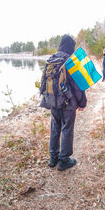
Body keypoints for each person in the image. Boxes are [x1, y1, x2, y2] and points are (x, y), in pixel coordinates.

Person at [40, 34, 87, 171]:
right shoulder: (71, 61)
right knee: (67, 129)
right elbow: (79, 86)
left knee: (55, 128)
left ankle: (53, 158)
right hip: (68, 103)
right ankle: (63, 161)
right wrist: (82, 103)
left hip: (53, 102)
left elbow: (44, 83)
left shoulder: (51, 59)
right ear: (70, 47)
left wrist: (46, 100)